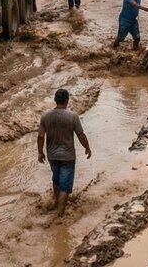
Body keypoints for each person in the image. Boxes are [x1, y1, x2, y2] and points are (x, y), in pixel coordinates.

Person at [38, 88, 91, 221]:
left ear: (55, 100)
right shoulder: (72, 116)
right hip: (68, 156)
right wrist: (87, 147)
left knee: (56, 181)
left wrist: (40, 152)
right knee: (65, 187)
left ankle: (57, 204)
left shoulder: (45, 116)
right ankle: (59, 215)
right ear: (67, 100)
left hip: (52, 155)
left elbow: (40, 136)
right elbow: (80, 135)